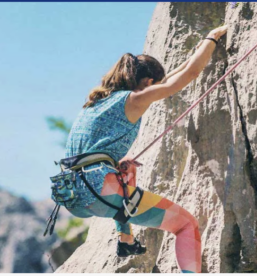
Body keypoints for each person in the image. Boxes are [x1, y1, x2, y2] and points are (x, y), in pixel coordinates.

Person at [61, 25, 228, 273]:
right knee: (186, 225)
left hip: (73, 196)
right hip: (100, 191)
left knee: (125, 171)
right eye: (154, 86)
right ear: (148, 83)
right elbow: (190, 74)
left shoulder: (94, 104)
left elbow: (172, 76)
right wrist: (211, 38)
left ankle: (125, 240)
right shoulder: (133, 99)